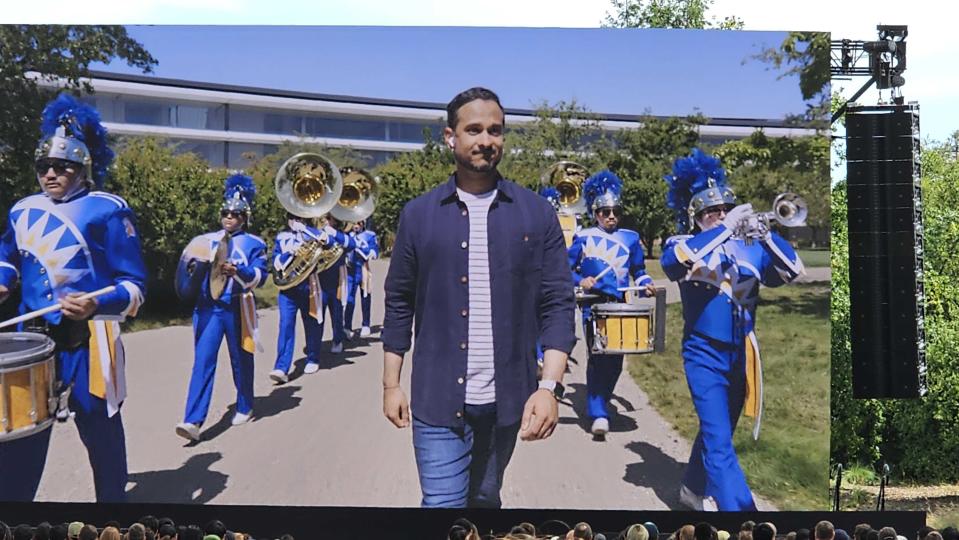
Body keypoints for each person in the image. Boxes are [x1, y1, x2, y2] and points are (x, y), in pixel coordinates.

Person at [381, 86, 575, 508]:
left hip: (508, 400)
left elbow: (558, 302)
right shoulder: (418, 215)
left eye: (495, 130)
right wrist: (390, 384)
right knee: (442, 506)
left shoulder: (537, 214)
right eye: (473, 130)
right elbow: (398, 301)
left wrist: (549, 389)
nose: (486, 140)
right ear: (450, 137)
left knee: (485, 501)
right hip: (437, 400)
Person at [0, 94, 147, 502]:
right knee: (19, 438)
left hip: (90, 342)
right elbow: (8, 255)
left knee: (101, 435)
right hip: (33, 343)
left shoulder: (108, 210)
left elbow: (135, 286)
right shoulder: (22, 208)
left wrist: (95, 304)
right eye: (43, 166)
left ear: (83, 169)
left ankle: (113, 513)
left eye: (62, 166)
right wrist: (3, 280)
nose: (50, 173)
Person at [660, 148, 804, 511]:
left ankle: (692, 491)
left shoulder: (751, 250)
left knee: (717, 432)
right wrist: (724, 229)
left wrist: (767, 233)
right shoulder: (682, 244)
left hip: (742, 356)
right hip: (703, 354)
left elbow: (792, 270)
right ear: (696, 217)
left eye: (726, 208)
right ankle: (744, 517)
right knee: (721, 444)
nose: (721, 214)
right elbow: (674, 264)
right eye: (712, 211)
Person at [175, 174, 267, 441]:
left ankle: (245, 404)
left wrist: (239, 270)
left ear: (244, 217)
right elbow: (186, 274)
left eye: (235, 214)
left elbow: (260, 277)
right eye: (225, 212)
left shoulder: (255, 243)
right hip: (208, 307)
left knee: (241, 359)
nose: (229, 217)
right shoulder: (204, 240)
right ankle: (193, 420)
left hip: (237, 306)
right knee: (202, 361)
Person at [567, 170, 655, 437]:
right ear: (596, 213)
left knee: (616, 359)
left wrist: (645, 283)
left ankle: (602, 400)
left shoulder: (630, 238)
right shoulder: (582, 237)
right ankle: (598, 412)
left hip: (620, 303)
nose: (611, 216)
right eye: (605, 212)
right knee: (598, 355)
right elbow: (565, 268)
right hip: (592, 305)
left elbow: (638, 270)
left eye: (615, 211)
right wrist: (581, 280)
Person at [267, 213, 349, 383]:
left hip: (309, 286)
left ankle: (313, 357)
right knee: (286, 324)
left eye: (299, 217)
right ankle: (281, 367)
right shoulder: (282, 237)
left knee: (312, 323)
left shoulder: (314, 233)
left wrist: (306, 230)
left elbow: (332, 243)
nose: (295, 220)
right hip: (288, 288)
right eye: (291, 216)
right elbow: (275, 261)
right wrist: (287, 254)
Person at [314, 214, 355, 356]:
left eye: (329, 218)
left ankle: (337, 340)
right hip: (320, 278)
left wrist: (333, 233)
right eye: (326, 218)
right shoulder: (317, 233)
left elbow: (351, 245)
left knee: (337, 312)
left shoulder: (341, 235)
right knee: (318, 313)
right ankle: (315, 344)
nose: (326, 221)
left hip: (338, 279)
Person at [343, 219, 378, 339]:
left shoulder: (369, 235)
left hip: (363, 268)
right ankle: (347, 326)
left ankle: (366, 324)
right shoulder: (347, 235)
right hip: (350, 270)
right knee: (349, 299)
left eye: (359, 223)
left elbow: (374, 250)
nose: (356, 226)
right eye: (354, 223)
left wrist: (369, 253)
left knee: (365, 297)